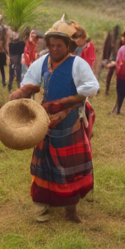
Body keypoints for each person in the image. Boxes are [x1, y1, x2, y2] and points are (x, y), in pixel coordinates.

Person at [10, 16, 99, 223]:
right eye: (51, 45)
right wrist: (20, 93)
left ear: (68, 46)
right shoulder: (42, 62)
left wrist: (63, 103)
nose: (54, 48)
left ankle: (71, 210)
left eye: (59, 45)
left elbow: (90, 88)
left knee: (71, 168)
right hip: (45, 124)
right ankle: (42, 206)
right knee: (43, 166)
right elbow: (31, 82)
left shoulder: (78, 64)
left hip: (69, 124)